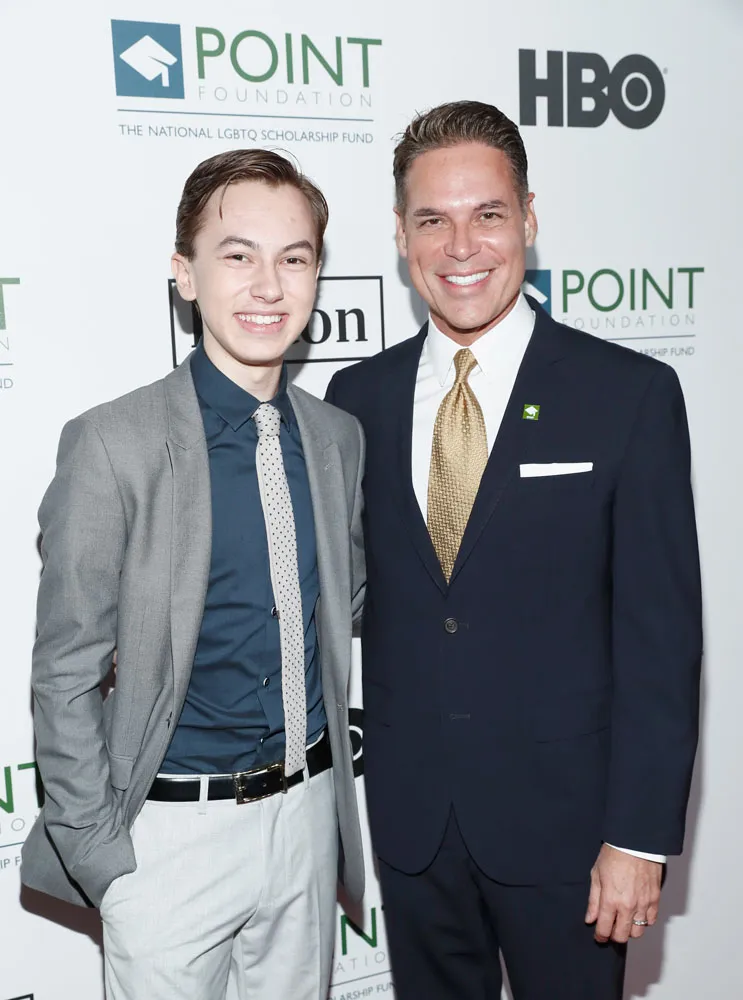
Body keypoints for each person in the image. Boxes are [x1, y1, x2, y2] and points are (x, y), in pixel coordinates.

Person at [325, 101, 702, 1000]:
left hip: (572, 837)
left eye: (486, 214)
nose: (461, 246)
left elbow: (660, 639)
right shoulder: (355, 398)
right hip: (414, 831)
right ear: (400, 235)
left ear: (528, 220)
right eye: (432, 220)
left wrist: (637, 838)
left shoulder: (628, 394)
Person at [22, 148, 366, 1000]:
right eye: (237, 255)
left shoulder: (336, 440)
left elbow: (348, 601)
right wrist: (102, 857)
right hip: (170, 841)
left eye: (293, 259)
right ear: (185, 274)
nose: (268, 286)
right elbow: (65, 670)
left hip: (307, 819)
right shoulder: (113, 445)